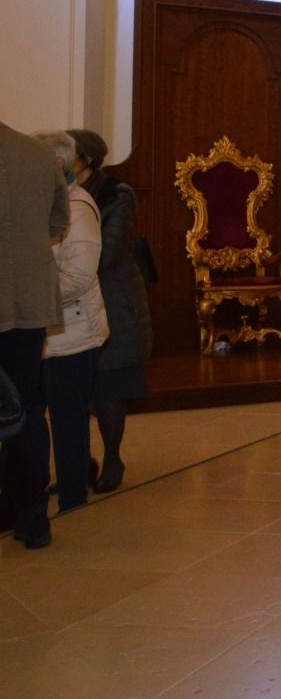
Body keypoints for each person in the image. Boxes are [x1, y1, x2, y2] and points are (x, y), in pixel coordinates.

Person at [68, 129, 152, 493]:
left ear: (85, 160)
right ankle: (79, 462)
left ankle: (113, 458)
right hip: (75, 303)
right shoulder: (61, 196)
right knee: (72, 389)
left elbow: (110, 251)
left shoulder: (116, 196)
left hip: (115, 301)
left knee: (108, 387)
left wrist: (67, 261)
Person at [0, 122, 69, 549]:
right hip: (26, 301)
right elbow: (58, 222)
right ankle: (33, 518)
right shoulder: (39, 154)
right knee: (25, 405)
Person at [34, 129, 110, 515]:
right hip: (43, 331)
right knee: (32, 419)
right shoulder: (42, 202)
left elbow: (78, 277)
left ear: (59, 165)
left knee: (67, 422)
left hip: (73, 334)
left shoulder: (78, 209)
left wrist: (29, 296)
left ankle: (73, 499)